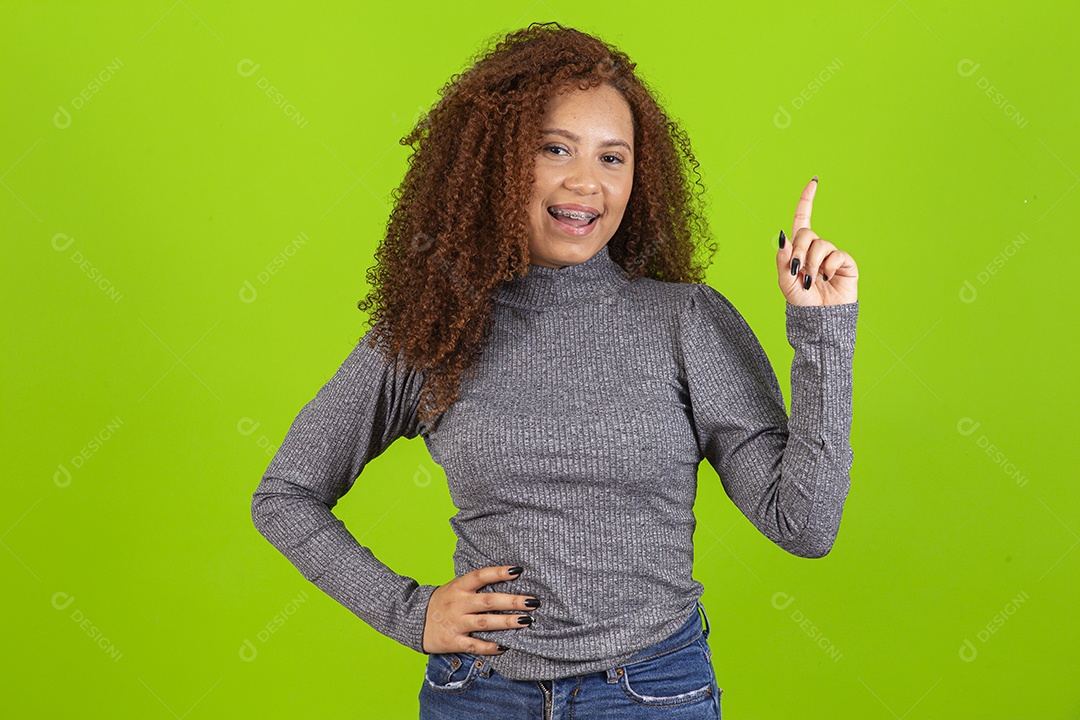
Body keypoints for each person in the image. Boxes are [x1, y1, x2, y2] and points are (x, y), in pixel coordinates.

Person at [250, 21, 859, 719]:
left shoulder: (686, 321)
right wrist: (409, 612)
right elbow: (285, 494)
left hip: (651, 694)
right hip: (478, 697)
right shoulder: (434, 325)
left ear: (640, 175)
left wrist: (823, 333)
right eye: (554, 148)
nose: (585, 183)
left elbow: (804, 525)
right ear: (499, 162)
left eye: (612, 158)